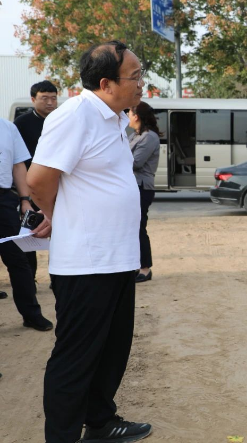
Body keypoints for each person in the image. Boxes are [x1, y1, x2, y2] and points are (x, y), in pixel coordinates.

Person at [27, 40, 152, 443]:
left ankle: (100, 421)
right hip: (86, 263)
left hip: (117, 258)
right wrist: (57, 216)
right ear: (106, 83)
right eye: (134, 76)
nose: (141, 84)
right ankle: (62, 436)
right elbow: (38, 180)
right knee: (76, 357)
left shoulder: (114, 119)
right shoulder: (75, 115)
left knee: (112, 350)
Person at [0, 118, 53, 332]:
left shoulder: (7, 128)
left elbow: (18, 165)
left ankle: (31, 314)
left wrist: (24, 200)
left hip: (4, 199)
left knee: (18, 259)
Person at [14, 80, 59, 283]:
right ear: (33, 99)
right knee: (29, 232)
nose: (50, 103)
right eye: (44, 98)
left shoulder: (61, 120)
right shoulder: (21, 124)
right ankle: (29, 278)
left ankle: (57, 276)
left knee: (59, 232)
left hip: (58, 185)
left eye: (53, 98)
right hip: (30, 185)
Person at [128, 101, 160, 283]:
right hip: (132, 186)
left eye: (129, 113)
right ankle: (136, 265)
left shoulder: (149, 137)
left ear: (137, 116)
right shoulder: (135, 135)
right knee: (131, 228)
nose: (127, 116)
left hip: (141, 186)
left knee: (139, 227)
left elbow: (136, 162)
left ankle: (145, 268)